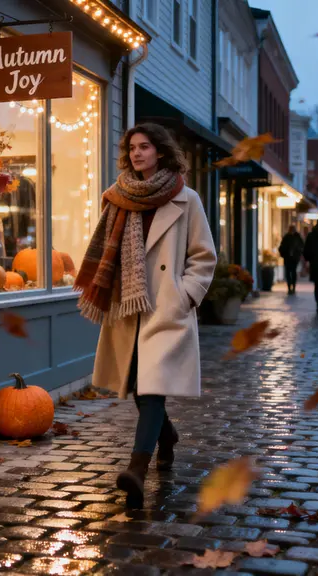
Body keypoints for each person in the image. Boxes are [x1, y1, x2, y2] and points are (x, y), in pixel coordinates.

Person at [76, 123, 217, 509]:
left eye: (145, 147)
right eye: (132, 148)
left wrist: (184, 295)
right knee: (140, 388)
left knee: (152, 388)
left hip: (165, 308)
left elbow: (204, 256)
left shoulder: (186, 199)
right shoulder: (118, 198)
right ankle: (166, 434)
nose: (137, 153)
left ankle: (137, 469)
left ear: (161, 152)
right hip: (128, 306)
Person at [278, 225, 304, 295]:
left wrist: (298, 252)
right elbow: (281, 247)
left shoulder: (297, 237)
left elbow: (302, 246)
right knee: (288, 273)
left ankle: (293, 287)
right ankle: (290, 287)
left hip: (294, 258)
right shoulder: (287, 237)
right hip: (288, 258)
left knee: (293, 272)